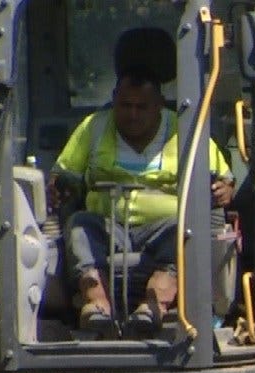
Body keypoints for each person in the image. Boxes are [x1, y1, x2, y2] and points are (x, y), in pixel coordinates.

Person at [48, 66, 235, 336]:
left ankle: (154, 305)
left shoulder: (185, 130)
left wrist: (225, 189)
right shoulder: (94, 127)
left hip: (166, 228)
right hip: (109, 227)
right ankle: (97, 303)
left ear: (159, 105)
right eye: (125, 105)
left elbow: (225, 180)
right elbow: (62, 175)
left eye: (141, 107)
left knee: (185, 230)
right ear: (114, 101)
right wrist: (58, 187)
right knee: (79, 225)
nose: (132, 114)